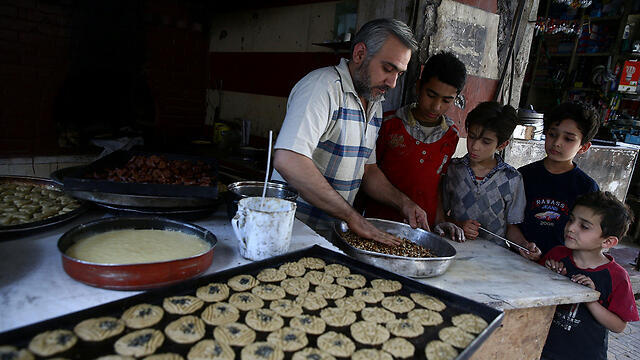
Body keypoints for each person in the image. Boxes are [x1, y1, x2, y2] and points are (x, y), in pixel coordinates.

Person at [272, 18, 429, 244]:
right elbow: (288, 159)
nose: (393, 82)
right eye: (388, 68)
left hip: (327, 238)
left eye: (399, 74)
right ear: (359, 54)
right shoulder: (322, 89)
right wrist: (352, 217)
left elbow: (368, 170)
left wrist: (403, 203)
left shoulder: (374, 104)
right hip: (290, 234)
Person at [364, 51, 466, 241]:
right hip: (378, 227)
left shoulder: (451, 136)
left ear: (456, 98)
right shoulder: (388, 124)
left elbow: (437, 184)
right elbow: (367, 173)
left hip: (422, 233)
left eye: (446, 101)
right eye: (431, 95)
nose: (436, 107)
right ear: (419, 87)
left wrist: (441, 221)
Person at [540, 191, 639, 360]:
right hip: (542, 347)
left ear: (608, 242)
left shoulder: (617, 277)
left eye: (584, 226)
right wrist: (549, 273)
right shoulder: (557, 255)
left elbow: (619, 326)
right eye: (571, 220)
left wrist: (591, 300)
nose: (571, 227)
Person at [441, 102, 540, 259]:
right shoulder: (453, 169)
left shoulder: (511, 179)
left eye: (486, 142)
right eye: (472, 137)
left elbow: (511, 226)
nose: (475, 146)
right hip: (455, 251)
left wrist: (524, 245)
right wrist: (459, 225)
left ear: (502, 144)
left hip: (493, 258)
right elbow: (441, 215)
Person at [519, 102, 600, 257]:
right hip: (519, 258)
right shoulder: (523, 175)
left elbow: (590, 237)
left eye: (568, 139)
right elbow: (511, 222)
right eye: (552, 134)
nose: (557, 143)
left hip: (562, 267)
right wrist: (523, 245)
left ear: (583, 147)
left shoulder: (587, 188)